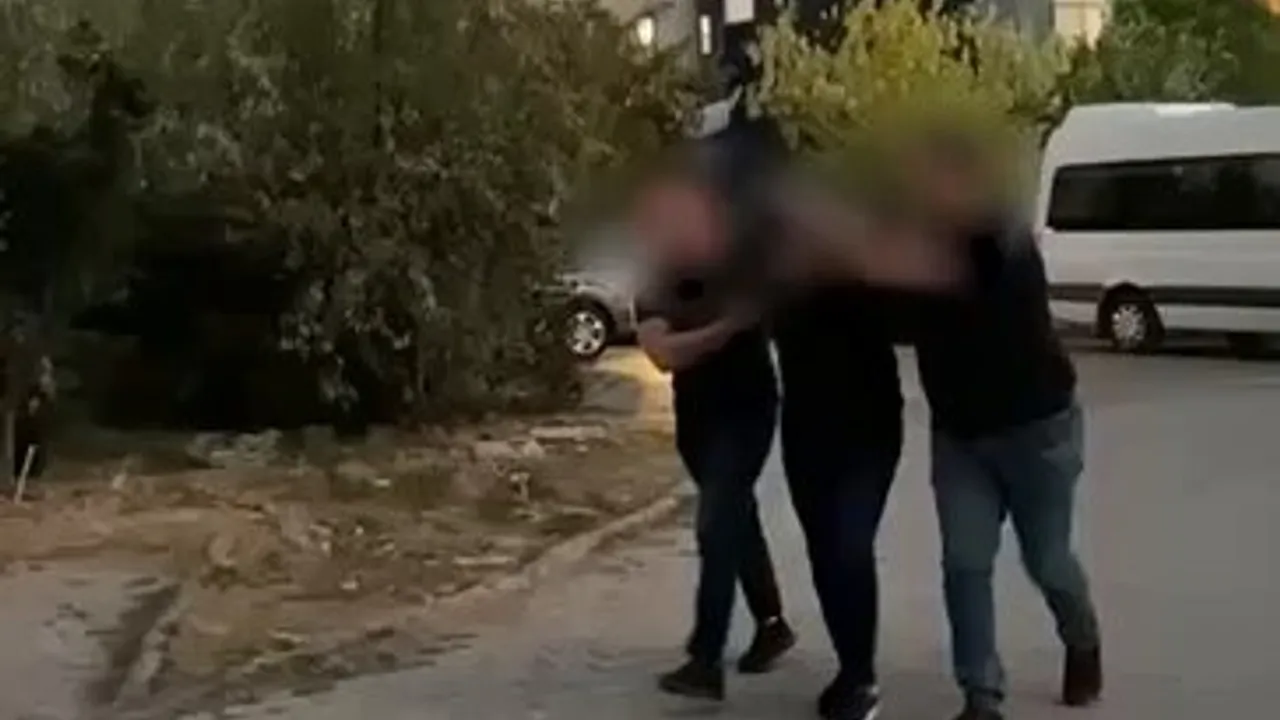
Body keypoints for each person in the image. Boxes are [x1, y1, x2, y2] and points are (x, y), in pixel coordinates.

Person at [903, 133, 1103, 720]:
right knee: (965, 563)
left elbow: (963, 291)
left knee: (1047, 561)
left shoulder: (1001, 241)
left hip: (1036, 429)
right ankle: (981, 694)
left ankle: (1082, 638)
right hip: (961, 437)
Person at [634, 108, 798, 703]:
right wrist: (724, 330)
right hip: (697, 417)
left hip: (749, 409)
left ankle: (705, 660)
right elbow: (661, 354)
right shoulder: (664, 270)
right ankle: (772, 623)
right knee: (733, 517)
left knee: (717, 523)